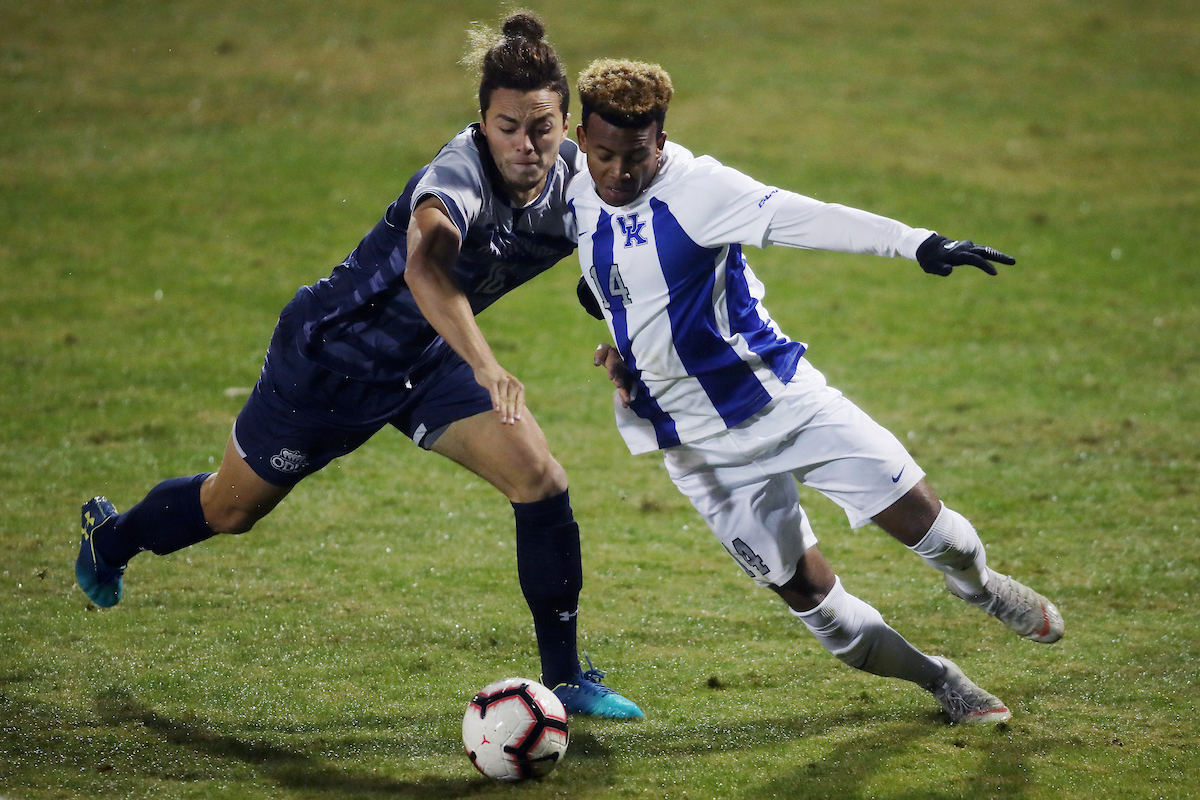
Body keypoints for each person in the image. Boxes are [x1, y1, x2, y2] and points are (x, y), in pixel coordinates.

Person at [74, 13, 642, 719]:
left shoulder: (580, 181)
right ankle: (112, 539)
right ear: (482, 123)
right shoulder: (456, 178)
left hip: (427, 364)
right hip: (328, 363)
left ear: (568, 125)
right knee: (229, 510)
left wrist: (624, 329)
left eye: (542, 127)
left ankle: (563, 680)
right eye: (507, 127)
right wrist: (488, 365)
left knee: (540, 479)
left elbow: (622, 259)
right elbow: (427, 270)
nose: (525, 145)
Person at [569, 58, 1063, 725]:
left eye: (637, 155)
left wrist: (917, 244)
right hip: (694, 447)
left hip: (782, 400)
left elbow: (811, 218)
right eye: (604, 155)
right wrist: (623, 344)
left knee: (935, 530)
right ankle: (940, 680)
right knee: (816, 605)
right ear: (580, 137)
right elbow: (610, 276)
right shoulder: (571, 185)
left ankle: (980, 587)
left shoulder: (701, 191)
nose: (620, 173)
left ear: (661, 140)